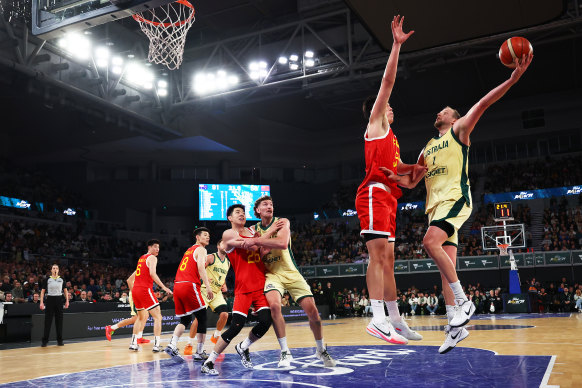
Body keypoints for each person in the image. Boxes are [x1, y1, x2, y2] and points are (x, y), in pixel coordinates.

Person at [414, 51, 533, 354]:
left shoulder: (459, 131)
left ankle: (464, 301)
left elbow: (483, 103)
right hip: (434, 207)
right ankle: (455, 325)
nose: (438, 114)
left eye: (444, 111)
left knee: (430, 244)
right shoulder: (427, 147)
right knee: (445, 267)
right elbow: (410, 178)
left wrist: (512, 78)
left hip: (455, 199)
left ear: (455, 118)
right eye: (439, 112)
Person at [355, 15, 425, 345]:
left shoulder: (393, 139)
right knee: (378, 258)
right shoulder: (376, 126)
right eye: (387, 107)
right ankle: (376, 317)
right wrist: (396, 46)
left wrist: (421, 169)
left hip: (390, 197)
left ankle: (396, 321)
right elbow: (387, 84)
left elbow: (401, 175)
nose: (390, 108)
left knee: (391, 262)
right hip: (372, 193)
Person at [245, 195, 335, 367]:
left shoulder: (282, 221)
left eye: (271, 204)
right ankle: (285, 352)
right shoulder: (253, 229)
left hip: (292, 273)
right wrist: (262, 240)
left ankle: (320, 349)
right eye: (265, 204)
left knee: (314, 314)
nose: (269, 206)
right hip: (272, 275)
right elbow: (257, 253)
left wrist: (260, 241)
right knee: (274, 307)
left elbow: (283, 243)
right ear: (257, 210)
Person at [201, 204, 273, 376]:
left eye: (243, 212)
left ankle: (243, 347)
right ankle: (209, 361)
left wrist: (264, 244)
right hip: (244, 288)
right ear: (230, 218)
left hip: (260, 286)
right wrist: (267, 236)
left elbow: (263, 251)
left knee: (266, 321)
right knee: (235, 327)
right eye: (237, 213)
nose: (242, 214)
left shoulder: (253, 232)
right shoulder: (229, 234)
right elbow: (249, 245)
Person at [164, 227, 214, 363]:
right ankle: (199, 352)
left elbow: (190, 268)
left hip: (178, 285)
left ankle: (172, 345)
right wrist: (208, 287)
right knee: (202, 317)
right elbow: (200, 268)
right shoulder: (202, 249)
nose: (208, 237)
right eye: (205, 235)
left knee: (185, 320)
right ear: (197, 237)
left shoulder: (188, 250)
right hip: (189, 285)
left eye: (208, 235)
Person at [186, 239, 231, 355]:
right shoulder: (211, 257)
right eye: (223, 244)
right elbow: (198, 268)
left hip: (216, 293)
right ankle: (189, 344)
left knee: (225, 314)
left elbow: (223, 276)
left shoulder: (228, 262)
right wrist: (202, 279)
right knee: (198, 320)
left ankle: (216, 335)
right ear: (218, 246)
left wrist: (224, 285)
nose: (226, 246)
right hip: (204, 291)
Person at [128, 239, 173, 352]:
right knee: (158, 316)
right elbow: (153, 273)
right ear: (149, 247)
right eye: (155, 247)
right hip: (144, 290)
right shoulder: (152, 258)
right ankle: (157, 345)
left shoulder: (141, 258)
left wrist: (135, 292)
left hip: (136, 291)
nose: (157, 249)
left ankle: (133, 343)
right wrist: (164, 287)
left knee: (141, 317)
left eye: (158, 247)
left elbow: (129, 280)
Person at [104, 273, 150, 345]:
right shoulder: (140, 268)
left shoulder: (146, 270)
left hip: (141, 292)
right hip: (136, 293)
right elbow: (129, 281)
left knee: (145, 315)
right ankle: (111, 328)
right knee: (137, 317)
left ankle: (139, 337)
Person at [40, 264, 69, 347]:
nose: (55, 269)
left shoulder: (62, 279)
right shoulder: (47, 279)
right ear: (51, 270)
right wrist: (41, 302)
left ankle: (60, 340)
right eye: (53, 268)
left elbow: (65, 291)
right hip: (50, 300)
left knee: (59, 321)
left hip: (59, 299)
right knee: (48, 321)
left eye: (56, 268)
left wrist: (67, 301)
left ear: (58, 270)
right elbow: (42, 291)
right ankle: (44, 341)